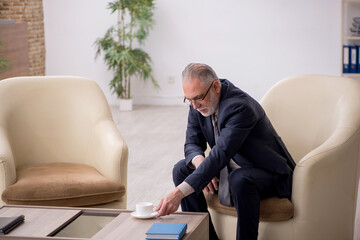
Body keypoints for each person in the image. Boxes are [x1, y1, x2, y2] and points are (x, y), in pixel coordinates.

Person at [156, 63, 296, 240]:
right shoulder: (196, 103)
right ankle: (204, 237)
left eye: (198, 99)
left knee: (239, 179)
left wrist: (178, 193)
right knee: (181, 169)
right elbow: (191, 144)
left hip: (267, 173)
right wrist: (201, 165)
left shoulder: (240, 107)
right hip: (230, 170)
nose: (194, 107)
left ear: (215, 87)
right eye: (189, 100)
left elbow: (221, 152)